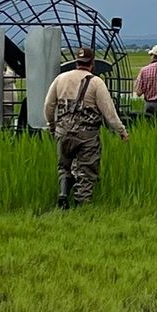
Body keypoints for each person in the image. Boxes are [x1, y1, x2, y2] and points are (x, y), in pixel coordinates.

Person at [43, 47, 129, 208]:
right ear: (92, 63)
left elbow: (48, 105)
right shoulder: (96, 82)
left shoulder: (60, 79)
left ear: (76, 61)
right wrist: (122, 131)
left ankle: (63, 195)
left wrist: (52, 126)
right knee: (87, 171)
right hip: (86, 135)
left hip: (62, 131)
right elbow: (109, 112)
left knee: (64, 166)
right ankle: (82, 206)